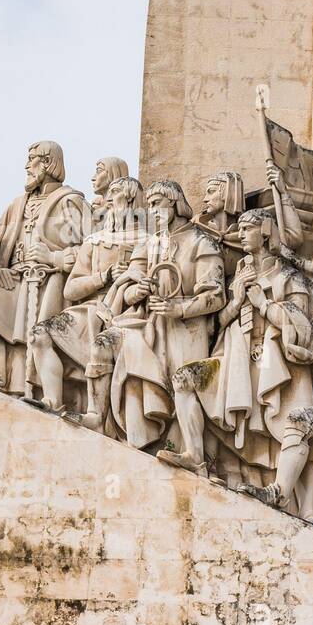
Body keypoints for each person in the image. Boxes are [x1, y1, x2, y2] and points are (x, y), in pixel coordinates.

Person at [174, 208, 313, 512]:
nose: (241, 233)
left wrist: (265, 304)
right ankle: (195, 456)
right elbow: (219, 321)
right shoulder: (241, 274)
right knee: (184, 378)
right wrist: (236, 301)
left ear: (266, 232)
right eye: (241, 228)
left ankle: (302, 506)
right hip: (237, 360)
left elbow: (302, 325)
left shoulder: (288, 276)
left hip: (279, 364)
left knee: (294, 428)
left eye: (248, 228)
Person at [0, 141, 90, 395]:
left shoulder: (70, 202)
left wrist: (53, 257)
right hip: (11, 281)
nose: (26, 165)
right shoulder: (17, 205)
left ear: (47, 163)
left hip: (48, 283)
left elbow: (92, 250)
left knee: (34, 336)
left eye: (32, 159)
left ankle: (35, 393)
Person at [89, 181, 224, 451]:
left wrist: (180, 308)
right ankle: (96, 415)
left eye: (157, 204)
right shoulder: (150, 244)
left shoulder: (201, 242)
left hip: (187, 329)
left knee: (181, 387)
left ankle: (192, 455)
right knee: (103, 343)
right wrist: (136, 291)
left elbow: (216, 295)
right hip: (148, 325)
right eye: (148, 205)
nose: (151, 210)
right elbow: (129, 288)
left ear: (173, 203)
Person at [32, 176, 147, 416]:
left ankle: (96, 413)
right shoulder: (94, 241)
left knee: (101, 346)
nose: (107, 199)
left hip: (130, 313)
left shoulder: (149, 240)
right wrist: (103, 277)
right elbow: (71, 289)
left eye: (114, 193)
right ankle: (52, 401)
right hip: (92, 309)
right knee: (39, 334)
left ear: (130, 198)